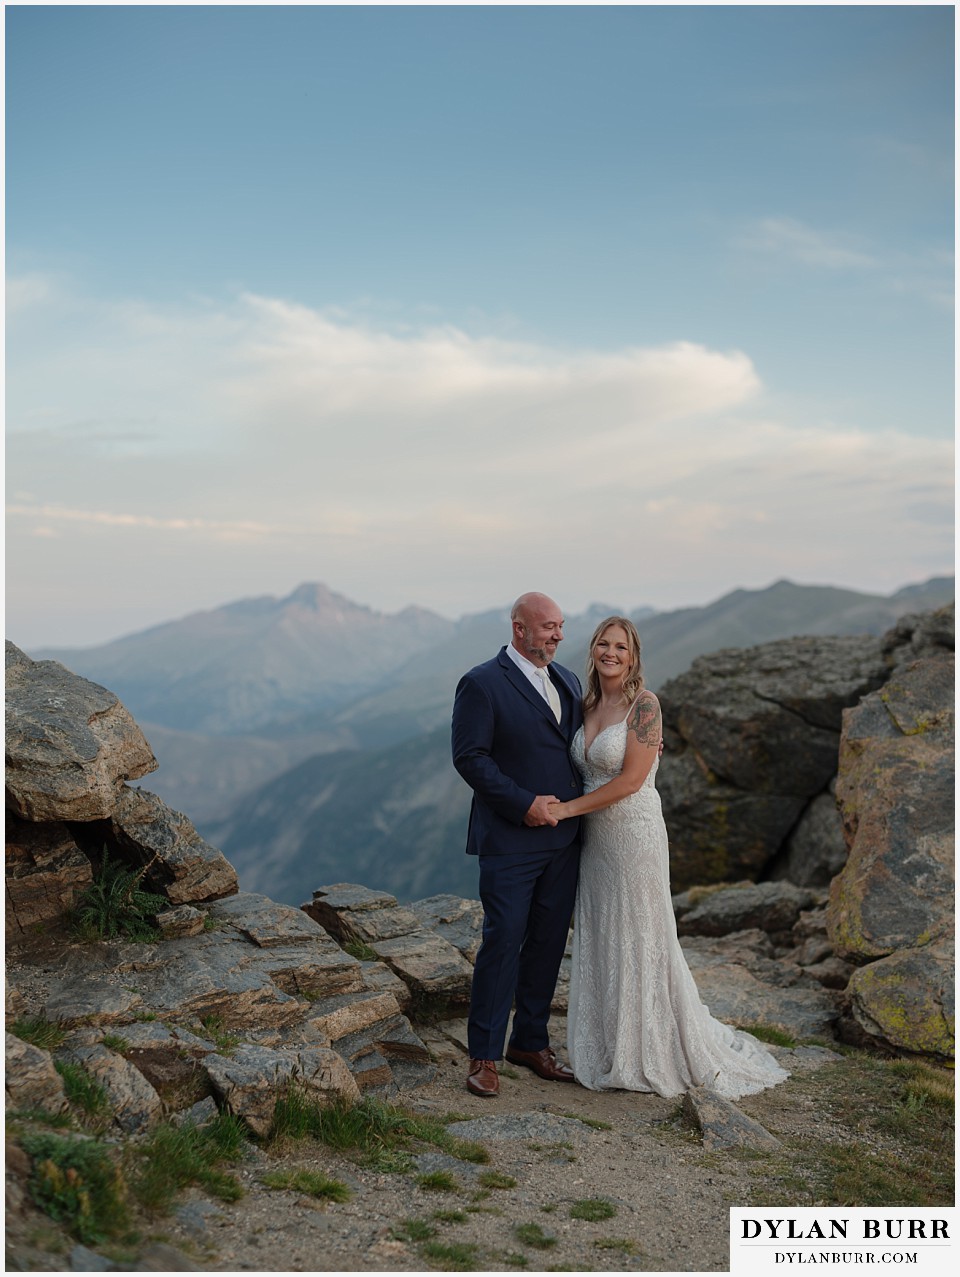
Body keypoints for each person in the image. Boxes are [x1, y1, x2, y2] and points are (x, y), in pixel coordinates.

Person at [549, 616, 789, 1099]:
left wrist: (565, 810)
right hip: (595, 841)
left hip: (633, 834)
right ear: (592, 649)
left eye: (621, 646)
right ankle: (610, 1041)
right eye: (603, 643)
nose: (610, 652)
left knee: (641, 932)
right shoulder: (587, 702)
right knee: (604, 931)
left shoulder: (646, 706)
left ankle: (653, 1047)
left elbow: (631, 780)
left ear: (633, 657)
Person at [451, 592, 584, 1098]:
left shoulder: (568, 679)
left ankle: (530, 1042)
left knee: (549, 942)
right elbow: (470, 758)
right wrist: (524, 803)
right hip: (509, 839)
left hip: (566, 839)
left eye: (560, 626)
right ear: (519, 629)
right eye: (547, 626)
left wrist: (643, 740)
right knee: (503, 939)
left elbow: (583, 743)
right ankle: (483, 1055)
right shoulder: (481, 683)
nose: (557, 635)